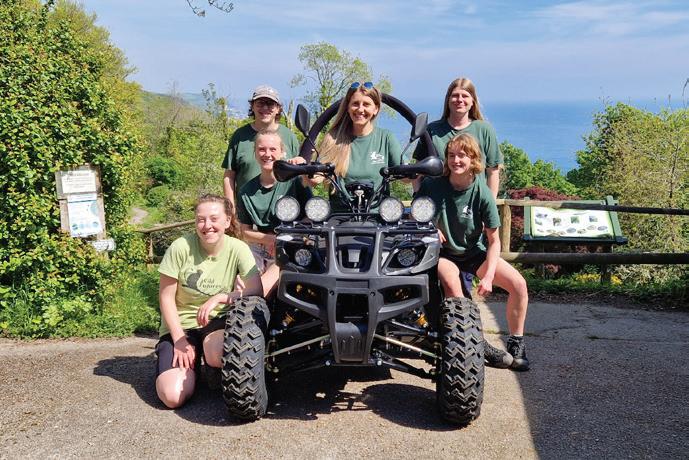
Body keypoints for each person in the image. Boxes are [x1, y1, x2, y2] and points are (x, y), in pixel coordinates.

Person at [417, 134, 530, 371]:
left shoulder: (482, 192)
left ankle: (516, 343)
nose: (455, 160)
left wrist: (488, 276)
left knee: (518, 284)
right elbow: (415, 215)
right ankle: (477, 344)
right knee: (454, 288)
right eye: (451, 155)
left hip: (473, 251)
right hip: (443, 253)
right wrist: (429, 227)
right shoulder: (432, 185)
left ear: (473, 159)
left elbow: (494, 241)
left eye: (462, 155)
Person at [155, 194, 262, 408]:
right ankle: (188, 364)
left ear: (227, 221)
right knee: (172, 397)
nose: (207, 226)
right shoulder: (180, 247)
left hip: (217, 322)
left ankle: (212, 367)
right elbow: (166, 297)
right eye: (201, 220)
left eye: (214, 219)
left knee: (219, 353)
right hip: (181, 326)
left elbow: (255, 288)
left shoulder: (237, 248)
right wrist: (179, 340)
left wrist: (223, 297)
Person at [237, 129, 312, 297]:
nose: (267, 154)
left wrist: (283, 239)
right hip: (258, 247)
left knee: (257, 291)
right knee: (240, 286)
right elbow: (245, 232)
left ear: (282, 152)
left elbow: (311, 217)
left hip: (290, 246)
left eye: (272, 149)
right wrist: (272, 240)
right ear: (255, 153)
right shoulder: (246, 191)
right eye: (262, 149)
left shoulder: (295, 182)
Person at [307, 81, 402, 207]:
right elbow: (315, 180)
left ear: (376, 109)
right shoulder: (333, 139)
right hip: (340, 216)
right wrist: (305, 169)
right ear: (348, 107)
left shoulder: (386, 138)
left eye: (366, 104)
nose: (360, 109)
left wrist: (417, 170)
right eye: (355, 104)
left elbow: (406, 177)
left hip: (378, 215)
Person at [414, 77, 503, 197]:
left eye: (465, 96)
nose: (460, 100)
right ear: (448, 100)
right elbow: (418, 171)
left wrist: (489, 203)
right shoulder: (432, 130)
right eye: (455, 95)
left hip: (474, 204)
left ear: (473, 101)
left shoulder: (484, 130)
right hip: (437, 203)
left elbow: (493, 172)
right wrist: (419, 198)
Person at [222, 85, 299, 212]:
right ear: (252, 106)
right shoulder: (240, 136)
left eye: (270, 104)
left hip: (284, 211)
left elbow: (299, 175)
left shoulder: (289, 136)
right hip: (246, 211)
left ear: (278, 108)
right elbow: (229, 176)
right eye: (260, 103)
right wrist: (230, 209)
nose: (265, 108)